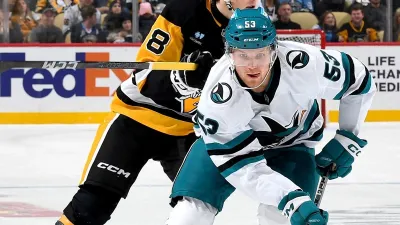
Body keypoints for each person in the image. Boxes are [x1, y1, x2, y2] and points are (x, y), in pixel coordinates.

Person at [55, 0, 263, 225]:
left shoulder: (256, 23)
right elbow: (145, 72)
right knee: (91, 206)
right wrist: (181, 78)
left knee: (196, 209)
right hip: (137, 117)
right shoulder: (184, 10)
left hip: (191, 130)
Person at [166, 7, 376, 225]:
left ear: (274, 50)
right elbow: (243, 167)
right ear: (230, 54)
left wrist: (348, 137)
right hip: (229, 150)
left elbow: (358, 81)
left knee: (278, 219)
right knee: (190, 215)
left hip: (294, 145)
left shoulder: (305, 64)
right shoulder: (218, 98)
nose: (252, 65)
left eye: (260, 53)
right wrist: (290, 198)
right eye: (243, 55)